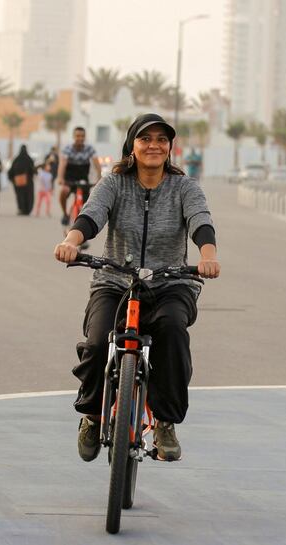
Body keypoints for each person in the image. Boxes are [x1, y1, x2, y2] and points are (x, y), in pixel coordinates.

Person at [53, 113, 221, 463]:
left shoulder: (184, 188)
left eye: (162, 139)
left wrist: (209, 255)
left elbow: (200, 221)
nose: (154, 145)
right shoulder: (114, 183)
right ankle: (93, 415)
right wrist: (72, 240)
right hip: (115, 281)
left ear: (169, 147)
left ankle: (164, 423)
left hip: (170, 283)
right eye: (146, 139)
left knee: (173, 331)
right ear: (132, 145)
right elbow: (91, 215)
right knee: (99, 342)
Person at [57, 127, 101, 226]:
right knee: (63, 191)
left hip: (83, 179)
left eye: (82, 136)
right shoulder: (67, 149)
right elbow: (62, 164)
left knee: (88, 202)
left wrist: (99, 178)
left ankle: (81, 221)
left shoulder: (89, 149)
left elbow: (97, 164)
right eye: (78, 136)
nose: (80, 138)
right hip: (69, 178)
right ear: (73, 137)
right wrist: (60, 178)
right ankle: (65, 214)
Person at [7, 144, 35, 215]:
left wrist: (12, 179)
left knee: (20, 196)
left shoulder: (16, 159)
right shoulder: (29, 159)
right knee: (28, 196)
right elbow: (32, 170)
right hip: (28, 182)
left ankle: (21, 209)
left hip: (18, 182)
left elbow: (11, 171)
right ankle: (27, 210)